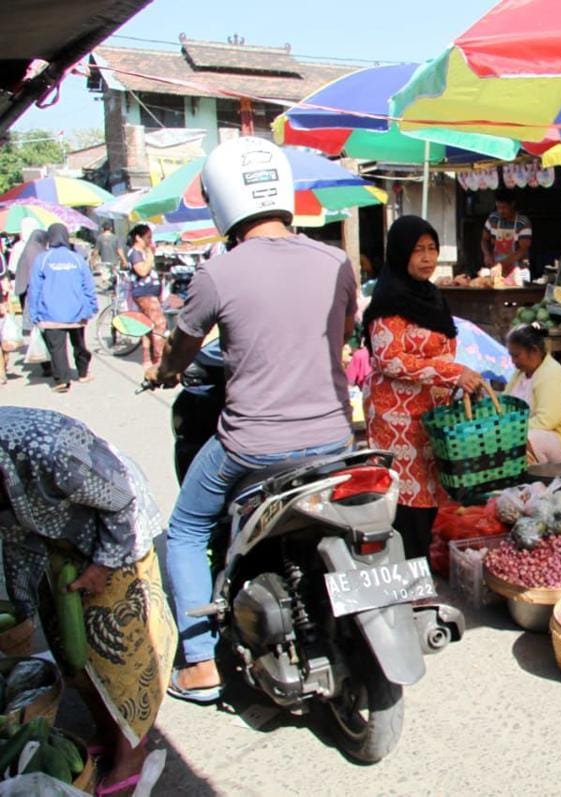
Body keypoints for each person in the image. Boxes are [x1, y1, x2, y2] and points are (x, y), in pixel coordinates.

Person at [143, 137, 358, 703]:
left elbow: (181, 351)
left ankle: (198, 665)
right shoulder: (336, 261)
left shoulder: (218, 273)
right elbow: (340, 334)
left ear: (221, 202)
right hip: (335, 438)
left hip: (252, 446)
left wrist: (164, 372)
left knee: (186, 530)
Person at [0, 407, 176, 797]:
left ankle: (134, 754)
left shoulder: (48, 451)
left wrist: (103, 564)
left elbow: (121, 502)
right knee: (71, 651)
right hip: (58, 539)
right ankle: (107, 728)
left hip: (115, 531)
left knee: (121, 654)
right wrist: (20, 606)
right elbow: (14, 542)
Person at [363, 215, 484, 558]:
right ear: (401, 253)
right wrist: (451, 374)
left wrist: (461, 379)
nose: (428, 258)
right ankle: (407, 574)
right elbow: (389, 359)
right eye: (418, 250)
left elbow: (443, 353)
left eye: (432, 249)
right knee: (407, 501)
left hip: (432, 418)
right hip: (396, 421)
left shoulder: (431, 296)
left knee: (430, 497)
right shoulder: (389, 301)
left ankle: (421, 568)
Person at [27, 223, 96, 392]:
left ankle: (62, 380)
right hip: (76, 312)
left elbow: (34, 288)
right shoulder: (77, 258)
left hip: (50, 313)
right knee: (79, 344)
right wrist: (91, 307)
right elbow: (88, 285)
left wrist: (33, 313)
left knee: (57, 348)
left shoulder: (42, 259)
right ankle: (83, 373)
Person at [504, 324, 561, 464]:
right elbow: (504, 404)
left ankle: (531, 478)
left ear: (534, 351)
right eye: (511, 356)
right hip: (536, 434)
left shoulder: (550, 374)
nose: (513, 361)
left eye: (516, 355)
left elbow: (547, 420)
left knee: (520, 439)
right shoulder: (520, 373)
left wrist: (508, 429)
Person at [127, 224, 166, 367]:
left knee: (148, 325)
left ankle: (147, 358)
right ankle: (159, 358)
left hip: (150, 292)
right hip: (145, 293)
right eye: (148, 237)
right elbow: (142, 271)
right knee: (159, 324)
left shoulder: (142, 252)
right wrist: (150, 254)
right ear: (138, 237)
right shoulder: (135, 253)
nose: (150, 240)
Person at [481, 188, 532, 283]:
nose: (500, 211)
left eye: (504, 208)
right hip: (496, 270)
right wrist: (487, 254)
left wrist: (501, 265)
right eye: (498, 207)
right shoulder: (493, 219)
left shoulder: (523, 223)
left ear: (512, 204)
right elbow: (484, 239)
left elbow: (522, 250)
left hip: (518, 271)